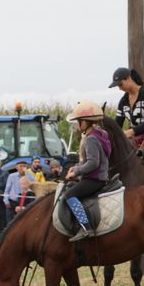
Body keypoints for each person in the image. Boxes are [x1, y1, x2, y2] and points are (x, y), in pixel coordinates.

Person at [63, 101, 112, 241]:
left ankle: (86, 227)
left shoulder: (91, 139)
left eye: (78, 121)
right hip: (99, 177)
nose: (77, 125)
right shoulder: (100, 134)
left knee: (69, 195)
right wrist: (77, 166)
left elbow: (93, 163)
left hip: (94, 179)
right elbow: (90, 160)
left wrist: (76, 172)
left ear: (84, 123)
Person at [110, 67, 144, 147]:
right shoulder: (123, 101)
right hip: (134, 139)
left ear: (129, 78)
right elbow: (117, 124)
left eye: (121, 84)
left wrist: (132, 131)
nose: (119, 88)